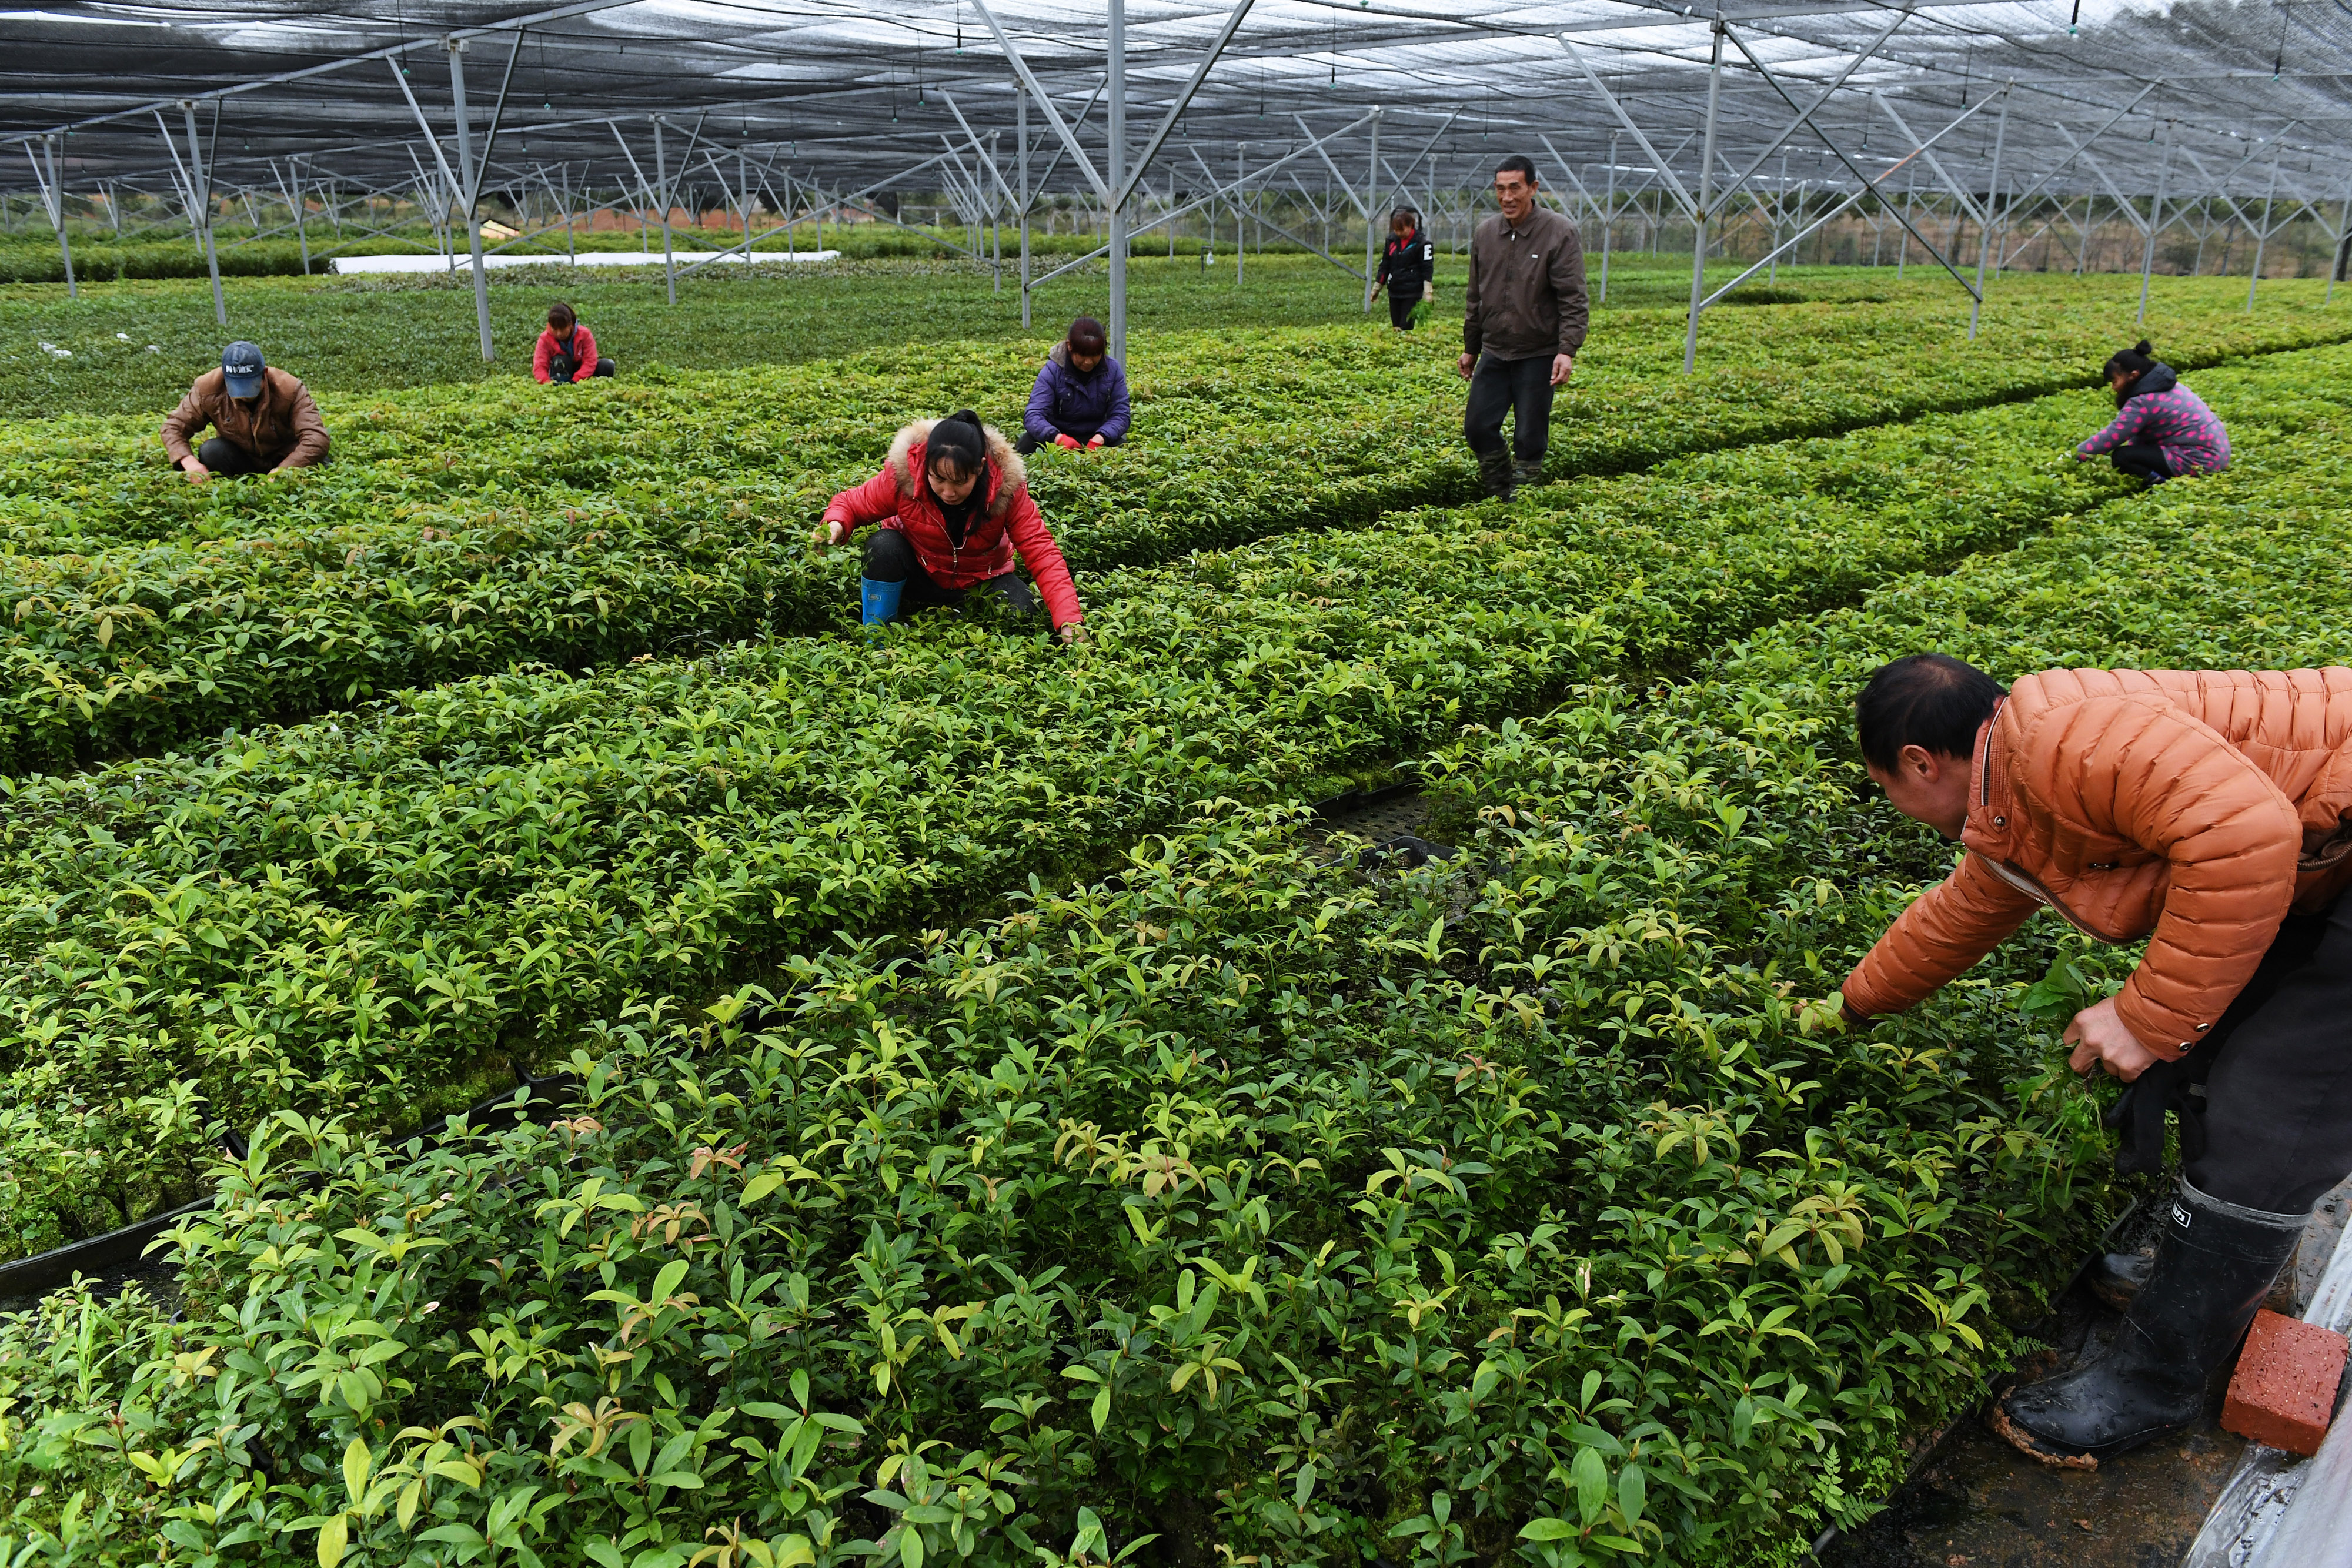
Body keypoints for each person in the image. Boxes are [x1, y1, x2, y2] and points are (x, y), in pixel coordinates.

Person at [1832, 653, 2352, 1467]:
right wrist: (1851, 1007)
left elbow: (2250, 835)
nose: (1895, 808)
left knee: (2276, 1107)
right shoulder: (2018, 791)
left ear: (1917, 763)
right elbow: (1960, 912)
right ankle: (2199, 1279)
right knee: (2218, 1046)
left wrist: (2146, 1016)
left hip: (2325, 844)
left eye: (1885, 789)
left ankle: (2151, 1382)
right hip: (2328, 855)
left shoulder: (2057, 740)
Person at [818, 409, 1084, 643]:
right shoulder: (904, 477)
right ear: (926, 467)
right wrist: (835, 525)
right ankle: (877, 635)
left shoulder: (1006, 490)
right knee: (883, 545)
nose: (948, 492)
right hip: (920, 573)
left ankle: (958, 611)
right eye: (938, 479)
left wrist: (1069, 622)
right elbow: (852, 502)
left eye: (959, 482)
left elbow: (1042, 552)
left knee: (1026, 613)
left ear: (980, 469)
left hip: (981, 579)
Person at [1459, 155, 1588, 502]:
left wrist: (1567, 349)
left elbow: (1573, 298)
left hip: (1539, 351)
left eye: (1515, 187)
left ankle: (1523, 502)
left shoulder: (1559, 232)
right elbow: (1476, 295)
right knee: (1477, 427)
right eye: (1500, 189)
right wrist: (1471, 346)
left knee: (1530, 436)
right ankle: (1501, 490)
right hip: (1496, 350)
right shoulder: (1486, 234)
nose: (1507, 197)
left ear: (1533, 188)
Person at [161, 341, 329, 483]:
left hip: (284, 457)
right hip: (243, 459)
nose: (244, 395)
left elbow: (317, 438)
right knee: (211, 451)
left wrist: (283, 471)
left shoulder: (290, 389)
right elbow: (173, 427)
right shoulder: (207, 389)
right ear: (225, 378)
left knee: (318, 460)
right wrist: (189, 462)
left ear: (264, 374)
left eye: (251, 385)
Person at [2074, 340, 2227, 484]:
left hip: (2199, 461)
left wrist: (2073, 457)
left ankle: (2161, 484)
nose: (2113, 388)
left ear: (2133, 375)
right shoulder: (2164, 385)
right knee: (2133, 453)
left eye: (2115, 381)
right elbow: (2138, 437)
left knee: (2122, 457)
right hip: (2218, 453)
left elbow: (2113, 435)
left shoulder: (2143, 401)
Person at [1019, 317, 1129, 456]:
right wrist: (1057, 438)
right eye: (1082, 355)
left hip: (1097, 436)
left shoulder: (1112, 370)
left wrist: (1101, 437)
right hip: (1058, 437)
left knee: (1124, 451)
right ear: (1070, 346)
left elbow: (1121, 414)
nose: (1088, 362)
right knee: (1025, 445)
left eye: (1095, 355)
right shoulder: (1053, 371)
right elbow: (1033, 415)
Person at [1375, 207, 1436, 332]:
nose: (1398, 233)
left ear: (1411, 226)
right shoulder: (1391, 241)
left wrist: (1428, 292)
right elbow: (1385, 264)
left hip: (1412, 291)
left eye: (1401, 230)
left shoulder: (1423, 243)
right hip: (1395, 289)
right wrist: (1377, 288)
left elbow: (1427, 269)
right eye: (1396, 230)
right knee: (1396, 327)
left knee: (1405, 327)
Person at [534, 302, 614, 383]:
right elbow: (539, 366)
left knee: (607, 366)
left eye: (562, 329)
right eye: (555, 329)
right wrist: (547, 382)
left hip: (583, 375)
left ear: (570, 325)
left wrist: (576, 379)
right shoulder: (545, 339)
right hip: (559, 373)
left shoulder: (585, 334)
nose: (559, 334)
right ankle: (562, 385)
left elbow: (590, 361)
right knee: (561, 360)